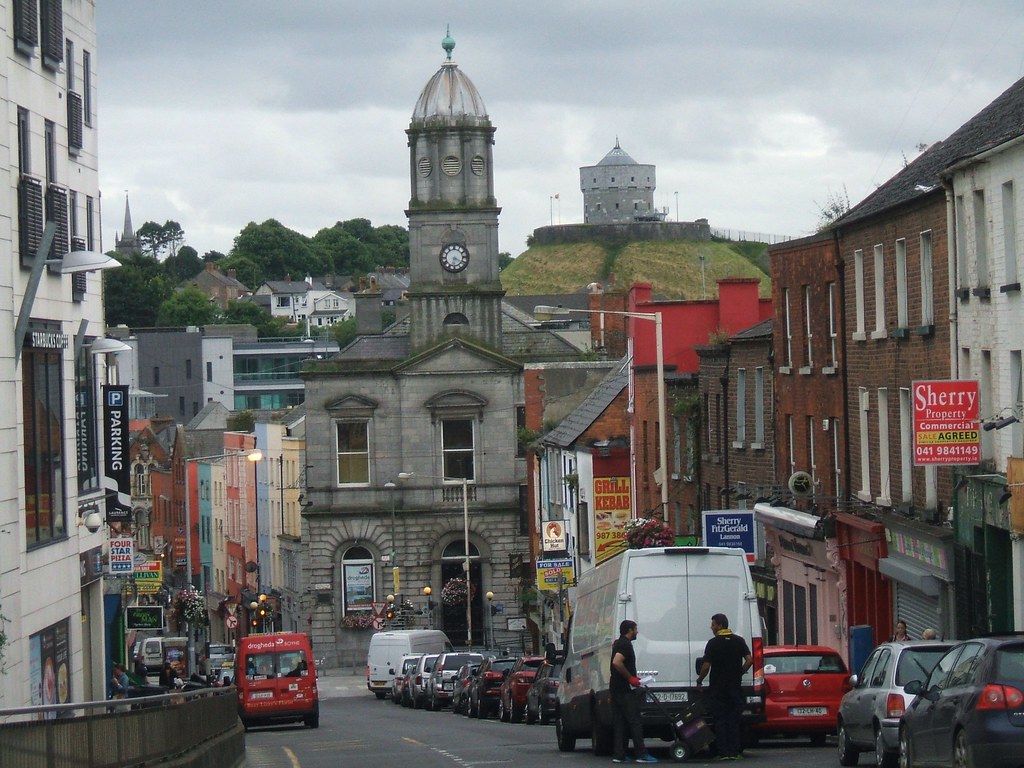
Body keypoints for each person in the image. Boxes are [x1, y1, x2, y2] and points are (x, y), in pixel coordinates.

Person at [696, 613, 752, 761]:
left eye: (713, 624)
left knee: (720, 720)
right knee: (733, 720)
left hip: (718, 689)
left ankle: (722, 753)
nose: (711, 627)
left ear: (720, 625)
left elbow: (706, 665)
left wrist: (700, 680)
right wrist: (740, 672)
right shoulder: (739, 641)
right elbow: (750, 659)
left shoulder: (713, 643)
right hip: (734, 687)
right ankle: (735, 752)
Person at [610, 619, 658, 764]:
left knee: (620, 722)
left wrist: (633, 676)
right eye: (635, 629)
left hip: (616, 688)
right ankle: (641, 754)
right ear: (630, 630)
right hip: (625, 690)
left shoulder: (618, 643)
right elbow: (617, 662)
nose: (637, 631)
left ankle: (619, 754)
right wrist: (630, 677)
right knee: (635, 721)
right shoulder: (625, 644)